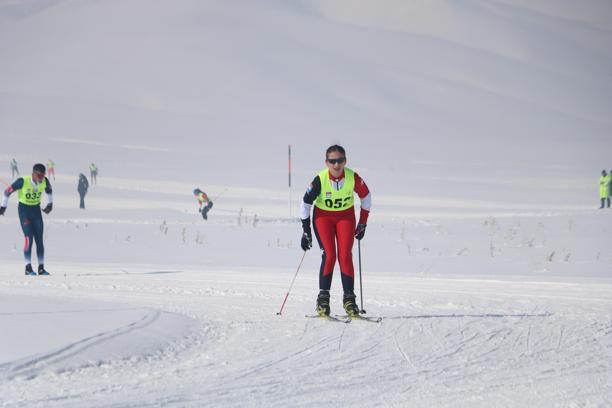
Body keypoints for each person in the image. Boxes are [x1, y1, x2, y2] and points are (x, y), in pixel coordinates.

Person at [300, 145, 371, 317]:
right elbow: (305, 204)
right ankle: (323, 299)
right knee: (330, 255)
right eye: (332, 161)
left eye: (339, 160)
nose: (336, 165)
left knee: (345, 255)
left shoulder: (352, 177)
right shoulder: (320, 179)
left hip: (345, 217)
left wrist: (362, 223)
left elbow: (366, 197)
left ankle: (349, 300)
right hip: (323, 218)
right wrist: (306, 230)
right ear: (326, 163)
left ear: (345, 161)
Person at [0, 163, 53, 275]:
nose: (41, 178)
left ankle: (41, 268)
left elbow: (49, 191)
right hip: (24, 211)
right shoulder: (23, 181)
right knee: (29, 238)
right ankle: (28, 267)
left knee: (39, 240)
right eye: (39, 176)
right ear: (33, 174)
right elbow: (7, 192)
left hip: (36, 211)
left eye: (43, 176)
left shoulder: (45, 181)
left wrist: (49, 204)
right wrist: (3, 207)